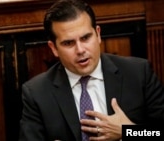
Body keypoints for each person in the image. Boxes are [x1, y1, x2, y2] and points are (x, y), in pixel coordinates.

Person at [18, 0, 164, 141]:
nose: (80, 50)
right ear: (54, 48)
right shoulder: (36, 93)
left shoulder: (138, 73)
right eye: (68, 43)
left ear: (98, 34)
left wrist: (128, 132)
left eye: (86, 38)